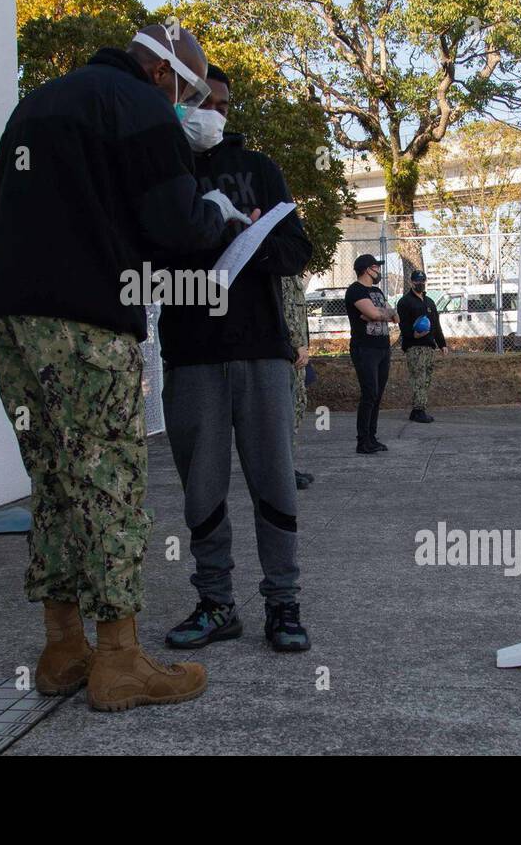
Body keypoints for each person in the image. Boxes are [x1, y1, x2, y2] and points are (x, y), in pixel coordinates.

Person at [0, 24, 251, 712]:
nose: (193, 107)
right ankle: (121, 659)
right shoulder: (140, 107)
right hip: (86, 320)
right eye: (191, 94)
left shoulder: (36, 103)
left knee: (56, 479)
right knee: (109, 481)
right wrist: (214, 213)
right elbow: (174, 224)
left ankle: (64, 647)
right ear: (164, 76)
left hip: (10, 315)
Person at [159, 63, 315, 653]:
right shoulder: (160, 169)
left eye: (223, 105)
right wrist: (205, 232)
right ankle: (217, 603)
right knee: (202, 489)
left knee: (274, 480)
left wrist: (246, 235)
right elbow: (147, 266)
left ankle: (283, 603)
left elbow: (297, 249)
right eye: (201, 102)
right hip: (191, 354)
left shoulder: (260, 169)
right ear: (176, 100)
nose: (213, 114)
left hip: (260, 351)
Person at [344, 255, 397, 453]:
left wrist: (381, 313)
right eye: (376, 267)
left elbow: (394, 317)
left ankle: (372, 438)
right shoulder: (355, 290)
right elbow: (376, 315)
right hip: (364, 348)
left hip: (383, 347)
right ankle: (362, 441)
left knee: (378, 394)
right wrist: (382, 313)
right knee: (369, 393)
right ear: (367, 269)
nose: (379, 271)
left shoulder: (376, 291)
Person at [395, 269, 448, 423]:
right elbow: (403, 325)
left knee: (426, 379)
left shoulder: (429, 302)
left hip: (429, 347)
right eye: (417, 281)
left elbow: (436, 325)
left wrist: (442, 344)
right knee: (418, 378)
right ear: (411, 282)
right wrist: (413, 335)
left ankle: (418, 410)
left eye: (423, 281)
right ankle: (419, 410)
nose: (420, 284)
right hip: (414, 347)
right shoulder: (404, 302)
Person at [282, 273, 314, 490]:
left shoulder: (292, 274)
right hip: (290, 354)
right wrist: (296, 343)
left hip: (298, 355)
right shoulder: (282, 275)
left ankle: (287, 467)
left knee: (296, 410)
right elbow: (286, 311)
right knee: (286, 416)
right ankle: (283, 472)